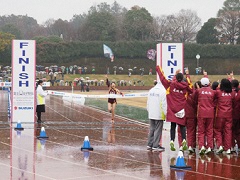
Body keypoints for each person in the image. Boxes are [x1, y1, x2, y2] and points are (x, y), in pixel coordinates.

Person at [156, 66, 193, 151]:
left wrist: (158, 68)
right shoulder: (186, 86)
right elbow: (191, 89)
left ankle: (172, 140)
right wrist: (188, 76)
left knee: (173, 126)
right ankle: (184, 139)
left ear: (176, 78)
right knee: (182, 126)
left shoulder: (171, 85)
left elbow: (163, 78)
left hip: (172, 110)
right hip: (181, 109)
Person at [195, 77, 216, 155]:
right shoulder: (213, 92)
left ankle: (202, 146)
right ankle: (210, 147)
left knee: (201, 131)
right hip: (210, 113)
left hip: (201, 113)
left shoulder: (198, 91)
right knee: (209, 130)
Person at [214, 78, 234, 154]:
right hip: (229, 114)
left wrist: (218, 87)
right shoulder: (231, 93)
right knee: (228, 131)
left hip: (220, 114)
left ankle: (220, 146)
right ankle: (228, 148)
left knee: (218, 130)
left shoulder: (218, 92)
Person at [146, 81, 167, 152]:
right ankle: (155, 145)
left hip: (151, 113)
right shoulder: (163, 91)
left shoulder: (151, 90)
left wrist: (149, 110)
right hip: (159, 114)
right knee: (158, 130)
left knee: (152, 129)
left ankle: (149, 144)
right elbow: (164, 104)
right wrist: (166, 113)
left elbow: (148, 102)